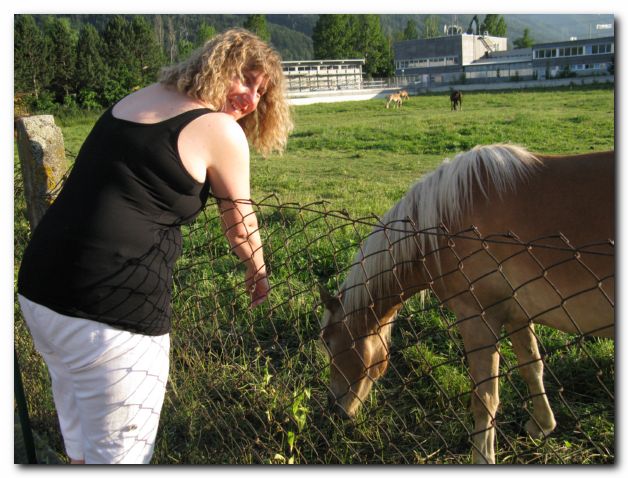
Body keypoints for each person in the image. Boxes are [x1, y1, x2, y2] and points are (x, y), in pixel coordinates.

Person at [17, 28, 292, 464]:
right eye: (246, 79)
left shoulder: (139, 98)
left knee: (82, 451)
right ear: (217, 67)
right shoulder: (218, 127)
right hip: (111, 317)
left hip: (41, 296)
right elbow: (240, 224)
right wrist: (258, 270)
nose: (252, 100)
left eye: (262, 91)